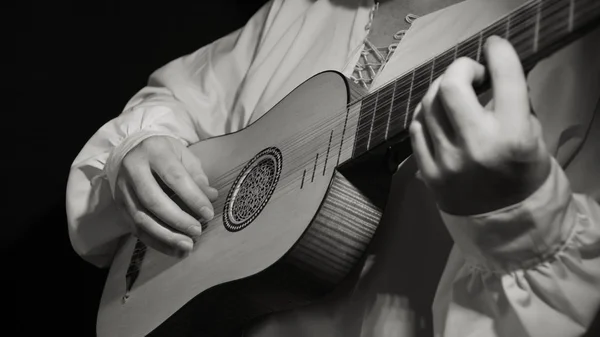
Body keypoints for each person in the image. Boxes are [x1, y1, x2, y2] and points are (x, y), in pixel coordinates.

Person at [65, 0, 600, 336]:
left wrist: (518, 218)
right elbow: (176, 99)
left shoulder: (577, 59)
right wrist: (141, 145)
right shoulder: (297, 11)